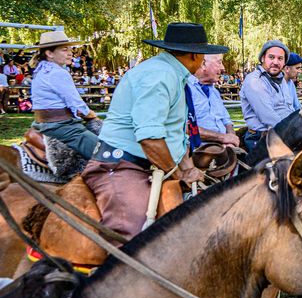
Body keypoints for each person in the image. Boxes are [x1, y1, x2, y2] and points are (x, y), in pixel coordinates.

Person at [82, 22, 227, 241]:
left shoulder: (172, 74)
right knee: (136, 237)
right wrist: (178, 174)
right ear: (194, 55)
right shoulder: (161, 76)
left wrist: (188, 168)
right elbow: (150, 138)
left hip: (142, 165)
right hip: (122, 166)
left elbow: (175, 131)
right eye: (202, 54)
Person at [30, 31, 100, 158]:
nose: (70, 53)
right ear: (49, 53)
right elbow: (77, 105)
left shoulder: (41, 70)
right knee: (105, 153)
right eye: (64, 50)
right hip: (61, 127)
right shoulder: (58, 72)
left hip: (43, 123)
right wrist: (92, 116)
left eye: (70, 49)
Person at [239, 40, 295, 152]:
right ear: (263, 58)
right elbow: (268, 116)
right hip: (261, 137)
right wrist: (293, 131)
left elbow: (289, 108)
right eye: (271, 57)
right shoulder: (254, 81)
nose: (275, 62)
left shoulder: (281, 80)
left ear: (284, 62)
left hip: (282, 133)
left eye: (280, 58)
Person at [188, 53, 240, 147]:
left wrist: (231, 140)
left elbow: (227, 122)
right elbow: (185, 128)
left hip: (224, 150)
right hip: (201, 154)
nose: (223, 68)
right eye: (219, 62)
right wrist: (222, 138)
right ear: (203, 64)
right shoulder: (185, 89)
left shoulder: (214, 91)